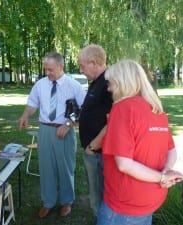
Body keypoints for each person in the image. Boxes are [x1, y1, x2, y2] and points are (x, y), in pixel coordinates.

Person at [97, 59, 183, 225]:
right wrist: (165, 174)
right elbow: (171, 151)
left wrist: (162, 177)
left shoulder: (122, 108)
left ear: (122, 82)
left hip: (124, 204)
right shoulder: (157, 109)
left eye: (110, 83)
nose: (108, 88)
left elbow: (124, 164)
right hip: (151, 199)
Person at [18, 52, 86, 218]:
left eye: (50, 69)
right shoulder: (41, 84)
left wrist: (69, 124)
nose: (47, 73)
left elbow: (84, 110)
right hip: (45, 130)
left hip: (65, 131)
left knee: (65, 168)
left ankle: (67, 201)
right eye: (45, 69)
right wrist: (25, 115)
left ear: (61, 67)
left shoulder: (74, 85)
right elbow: (32, 104)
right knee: (46, 168)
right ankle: (48, 202)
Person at [78, 44, 113, 218]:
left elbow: (112, 122)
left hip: (98, 153)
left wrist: (92, 147)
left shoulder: (109, 83)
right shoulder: (97, 82)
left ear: (94, 63)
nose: (81, 70)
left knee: (99, 198)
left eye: (83, 65)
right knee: (96, 196)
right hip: (94, 151)